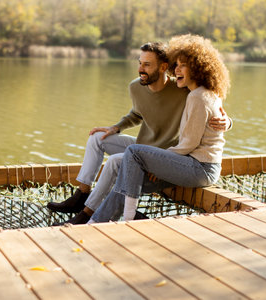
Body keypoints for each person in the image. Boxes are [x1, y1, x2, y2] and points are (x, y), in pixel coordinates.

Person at [47, 41, 231, 224]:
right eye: (139, 63)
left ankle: (97, 216)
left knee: (118, 161)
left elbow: (211, 114)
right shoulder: (137, 87)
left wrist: (228, 122)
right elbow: (137, 113)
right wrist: (116, 127)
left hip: (174, 155)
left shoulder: (184, 90)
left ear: (163, 67)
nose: (141, 69)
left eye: (147, 65)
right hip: (154, 151)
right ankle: (83, 198)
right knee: (98, 138)